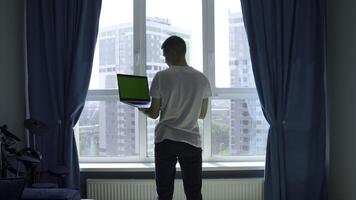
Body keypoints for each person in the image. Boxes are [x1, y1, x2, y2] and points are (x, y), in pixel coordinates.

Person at [139, 35, 211, 200]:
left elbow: (154, 113)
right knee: (194, 193)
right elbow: (202, 114)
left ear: (173, 52)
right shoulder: (202, 79)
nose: (165, 59)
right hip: (191, 142)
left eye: (165, 54)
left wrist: (141, 107)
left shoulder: (161, 76)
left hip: (166, 140)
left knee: (164, 193)